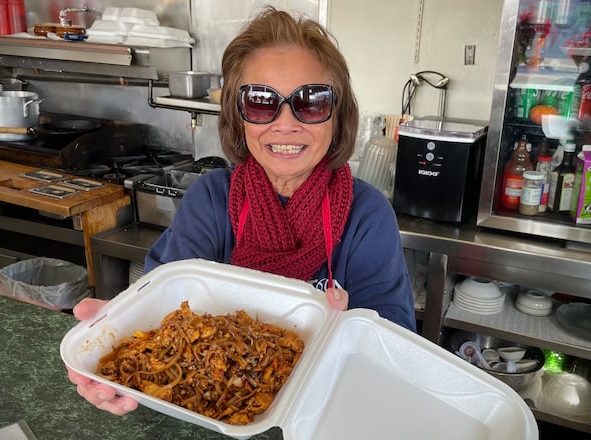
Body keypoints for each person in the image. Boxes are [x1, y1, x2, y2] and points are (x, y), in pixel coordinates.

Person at [68, 6, 416, 416]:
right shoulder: (211, 198)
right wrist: (124, 344)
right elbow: (163, 308)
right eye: (261, 101)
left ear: (337, 117)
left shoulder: (366, 213)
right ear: (239, 116)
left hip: (324, 412)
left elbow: (396, 347)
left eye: (311, 101)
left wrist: (344, 333)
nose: (285, 124)